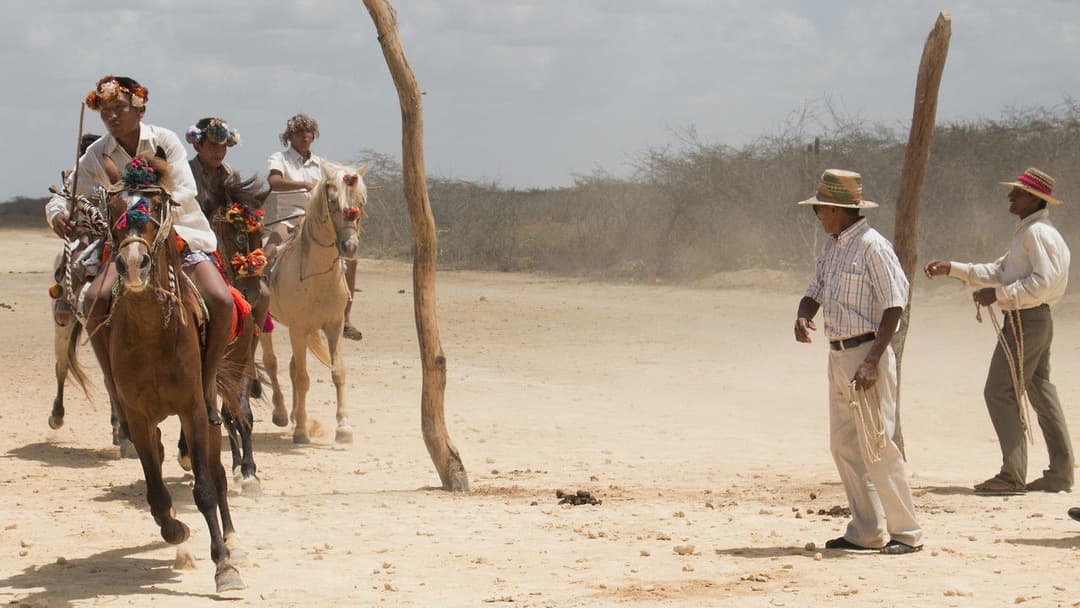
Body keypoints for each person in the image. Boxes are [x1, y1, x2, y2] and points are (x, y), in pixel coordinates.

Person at [45, 75, 232, 427]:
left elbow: (185, 192)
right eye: (105, 111)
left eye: (120, 108)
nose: (112, 116)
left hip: (180, 235)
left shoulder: (164, 141)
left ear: (140, 109)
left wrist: (144, 214)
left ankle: (207, 388)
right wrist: (57, 215)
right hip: (129, 244)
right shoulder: (96, 154)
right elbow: (64, 196)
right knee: (93, 300)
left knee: (222, 301)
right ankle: (118, 395)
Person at [794, 169, 923, 555]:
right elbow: (812, 292)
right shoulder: (834, 247)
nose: (817, 215)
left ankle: (907, 533)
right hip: (837, 355)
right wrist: (803, 315)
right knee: (844, 446)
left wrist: (872, 361)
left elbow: (894, 306)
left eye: (821, 209)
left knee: (878, 445)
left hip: (866, 355)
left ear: (840, 209)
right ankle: (866, 530)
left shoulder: (873, 246)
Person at [924, 168, 1073, 494]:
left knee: (999, 391)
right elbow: (998, 271)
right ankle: (1060, 472)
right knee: (1040, 391)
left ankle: (1012, 475)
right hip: (1035, 319)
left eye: (1017, 193)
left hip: (1026, 320)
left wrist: (999, 295)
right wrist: (953, 268)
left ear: (1034, 199)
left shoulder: (1037, 234)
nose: (1010, 197)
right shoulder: (1034, 232)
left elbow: (1041, 283)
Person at [265, 113, 362, 341]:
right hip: (289, 220)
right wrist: (304, 184)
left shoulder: (322, 165)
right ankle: (261, 305)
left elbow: (337, 187)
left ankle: (345, 318)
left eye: (309, 130)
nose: (305, 135)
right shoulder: (280, 159)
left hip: (318, 222)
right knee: (267, 253)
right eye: (300, 131)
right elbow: (274, 183)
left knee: (352, 259)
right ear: (290, 136)